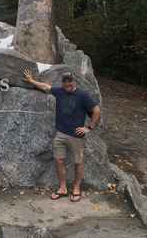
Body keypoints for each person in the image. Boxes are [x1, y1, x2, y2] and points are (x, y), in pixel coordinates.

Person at [23, 68, 101, 202]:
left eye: (70, 84)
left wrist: (89, 127)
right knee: (59, 161)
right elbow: (45, 87)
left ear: (74, 81)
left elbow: (96, 110)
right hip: (60, 134)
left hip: (76, 136)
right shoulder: (59, 91)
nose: (68, 87)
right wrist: (31, 81)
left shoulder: (83, 95)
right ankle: (63, 188)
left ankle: (76, 188)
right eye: (66, 85)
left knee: (78, 162)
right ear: (62, 84)